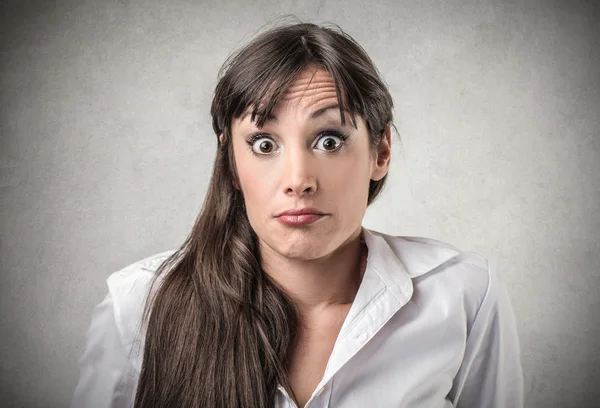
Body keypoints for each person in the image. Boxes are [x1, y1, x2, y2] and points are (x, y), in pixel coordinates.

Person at [70, 21, 524, 408]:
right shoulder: (138, 307)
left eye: (330, 140)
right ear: (231, 163)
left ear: (380, 151)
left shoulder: (464, 295)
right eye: (264, 144)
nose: (298, 180)